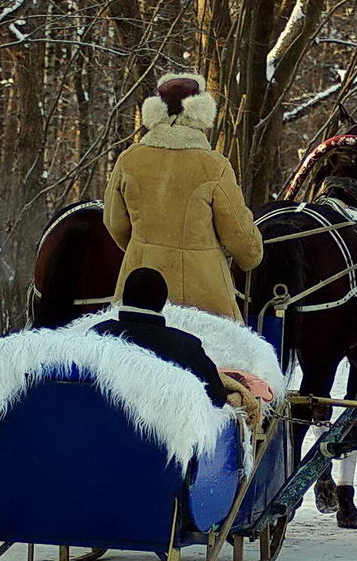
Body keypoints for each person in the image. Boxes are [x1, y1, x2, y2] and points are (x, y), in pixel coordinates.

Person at [103, 72, 262, 321]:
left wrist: (144, 248)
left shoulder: (130, 160)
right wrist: (252, 255)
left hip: (138, 290)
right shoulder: (213, 166)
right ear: (201, 113)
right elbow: (239, 235)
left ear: (156, 111)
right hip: (204, 296)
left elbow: (114, 222)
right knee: (233, 355)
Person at [93, 267, 228, 406]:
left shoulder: (95, 335)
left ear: (124, 297)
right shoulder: (186, 346)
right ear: (163, 301)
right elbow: (217, 398)